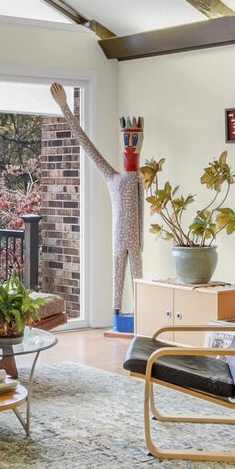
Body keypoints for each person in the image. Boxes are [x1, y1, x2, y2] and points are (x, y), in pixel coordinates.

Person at [50, 83, 149, 319]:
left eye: (136, 138)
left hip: (135, 242)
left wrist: (141, 238)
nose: (131, 145)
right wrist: (64, 106)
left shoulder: (140, 179)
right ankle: (116, 315)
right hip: (120, 239)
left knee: (139, 281)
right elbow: (87, 146)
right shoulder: (114, 177)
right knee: (118, 278)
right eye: (128, 138)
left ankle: (142, 316)